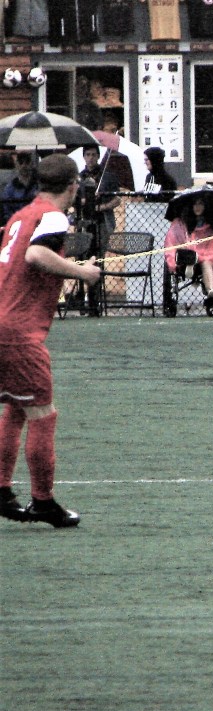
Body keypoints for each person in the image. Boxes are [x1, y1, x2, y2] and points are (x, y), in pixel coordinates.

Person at [0, 154, 102, 527]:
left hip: (3, 324)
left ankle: (2, 491)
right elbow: (36, 254)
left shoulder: (20, 215)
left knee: (16, 408)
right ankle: (43, 502)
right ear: (73, 186)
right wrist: (81, 272)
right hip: (18, 332)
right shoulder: (55, 216)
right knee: (43, 414)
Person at [163, 193, 213, 298]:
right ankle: (190, 262)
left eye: (200, 204)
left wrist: (201, 257)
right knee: (184, 253)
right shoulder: (179, 223)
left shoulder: (210, 226)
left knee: (207, 263)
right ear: (190, 206)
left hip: (204, 257)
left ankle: (211, 291)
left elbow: (211, 248)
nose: (197, 207)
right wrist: (172, 262)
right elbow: (171, 241)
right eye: (195, 204)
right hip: (184, 257)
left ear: (205, 206)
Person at [78, 144, 121, 246]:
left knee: (101, 247)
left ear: (98, 156)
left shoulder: (107, 176)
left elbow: (117, 199)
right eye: (88, 154)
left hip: (103, 219)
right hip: (84, 219)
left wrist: (102, 207)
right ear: (84, 156)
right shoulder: (79, 177)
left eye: (93, 155)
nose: (91, 158)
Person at [1, 151, 39, 230]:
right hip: (17, 225)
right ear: (16, 164)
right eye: (21, 162)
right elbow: (7, 211)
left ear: (32, 164)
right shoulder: (10, 188)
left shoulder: (39, 185)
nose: (24, 166)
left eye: (27, 162)